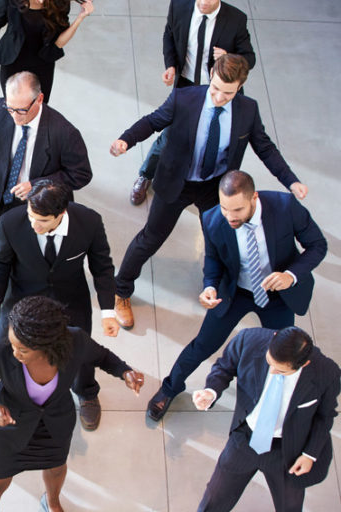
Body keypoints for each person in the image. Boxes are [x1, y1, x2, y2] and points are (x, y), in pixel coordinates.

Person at [109, 54, 309, 330]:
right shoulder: (184, 98)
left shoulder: (247, 109)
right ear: (210, 77)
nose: (217, 97)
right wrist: (125, 140)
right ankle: (120, 292)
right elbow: (153, 121)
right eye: (214, 88)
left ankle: (216, 289)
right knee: (150, 238)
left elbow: (265, 148)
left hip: (214, 188)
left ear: (239, 86)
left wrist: (291, 180)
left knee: (220, 241)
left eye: (227, 93)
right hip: (176, 182)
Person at [146, 170, 326, 421]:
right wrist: (209, 285)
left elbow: (318, 245)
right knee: (202, 345)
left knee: (282, 354)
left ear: (254, 198)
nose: (230, 217)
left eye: (237, 210)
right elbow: (212, 259)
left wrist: (290, 276)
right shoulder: (212, 220)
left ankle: (272, 403)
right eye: (224, 208)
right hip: (235, 293)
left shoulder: (285, 207)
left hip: (277, 295)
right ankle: (170, 387)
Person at [0, 180, 119, 433]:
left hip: (69, 298)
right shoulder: (11, 221)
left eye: (41, 221)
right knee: (2, 349)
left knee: (82, 347)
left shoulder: (89, 222)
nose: (33, 225)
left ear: (61, 214)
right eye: (31, 216)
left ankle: (86, 392)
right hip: (21, 296)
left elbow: (103, 268)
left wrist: (108, 312)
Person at [0, 296, 144, 511]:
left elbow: (102, 357)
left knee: (56, 469)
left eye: (22, 350)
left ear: (45, 347)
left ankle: (51, 501)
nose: (14, 352)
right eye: (13, 345)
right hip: (8, 431)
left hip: (54, 425)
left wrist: (125, 372)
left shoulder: (74, 341)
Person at [0, 71, 92, 276]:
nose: (14, 116)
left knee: (35, 266)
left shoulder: (64, 132)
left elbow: (81, 173)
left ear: (39, 99)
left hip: (40, 206)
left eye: (21, 110)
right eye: (10, 108)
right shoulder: (1, 109)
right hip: (4, 200)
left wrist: (37, 184)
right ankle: (4, 297)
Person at [192, 326, 340, 511]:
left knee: (290, 507)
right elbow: (224, 366)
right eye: (269, 362)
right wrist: (211, 391)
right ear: (274, 338)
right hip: (244, 439)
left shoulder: (327, 372)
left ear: (304, 364)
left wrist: (310, 454)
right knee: (213, 500)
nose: (272, 373)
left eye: (281, 371)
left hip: (289, 451)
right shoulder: (249, 339)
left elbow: (325, 416)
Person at [130, 0, 255, 205]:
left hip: (217, 90)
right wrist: (170, 64)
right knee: (169, 136)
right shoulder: (180, 6)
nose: (203, 2)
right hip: (187, 86)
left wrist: (229, 57)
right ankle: (146, 175)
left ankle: (206, 184)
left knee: (213, 139)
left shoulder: (236, 19)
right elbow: (169, 35)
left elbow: (249, 58)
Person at [0, 0, 94, 102]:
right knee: (13, 108)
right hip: (12, 62)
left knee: (39, 110)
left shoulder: (59, 3)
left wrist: (80, 18)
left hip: (42, 64)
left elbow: (57, 43)